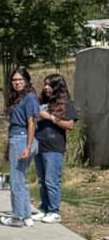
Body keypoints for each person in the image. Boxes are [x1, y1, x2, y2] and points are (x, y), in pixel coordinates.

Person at [36, 74, 78, 223]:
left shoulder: (65, 103)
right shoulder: (42, 102)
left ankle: (54, 211)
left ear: (57, 87)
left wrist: (50, 117)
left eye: (50, 85)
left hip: (54, 147)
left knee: (51, 180)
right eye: (45, 84)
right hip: (39, 145)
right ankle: (44, 208)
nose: (46, 88)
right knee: (42, 180)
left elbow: (70, 125)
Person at [1, 67, 40, 228]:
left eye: (20, 80)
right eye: (14, 80)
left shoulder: (30, 98)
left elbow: (32, 122)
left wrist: (28, 146)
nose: (17, 83)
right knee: (21, 180)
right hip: (17, 139)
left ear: (27, 81)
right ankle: (26, 215)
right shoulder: (19, 98)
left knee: (16, 181)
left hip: (22, 139)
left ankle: (17, 217)